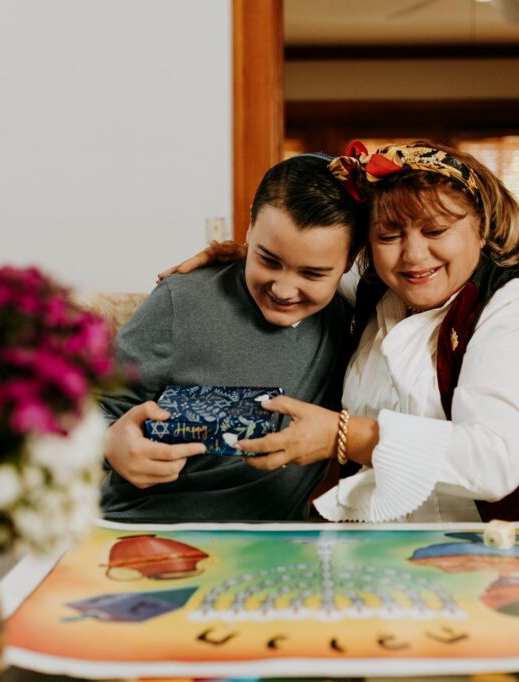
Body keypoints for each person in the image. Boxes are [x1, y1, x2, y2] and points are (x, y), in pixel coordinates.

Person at [175, 141, 519, 528]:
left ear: (481, 228)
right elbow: (314, 272)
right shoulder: (378, 296)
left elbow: (494, 462)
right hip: (407, 559)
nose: (414, 255)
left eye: (435, 230)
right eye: (389, 234)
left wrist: (344, 435)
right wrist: (250, 255)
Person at [98, 153, 364, 522]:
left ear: (349, 263)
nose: (284, 290)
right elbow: (87, 411)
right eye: (268, 260)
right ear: (249, 228)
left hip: (272, 545)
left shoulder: (354, 321)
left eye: (312, 274)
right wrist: (110, 444)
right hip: (143, 527)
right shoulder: (181, 300)